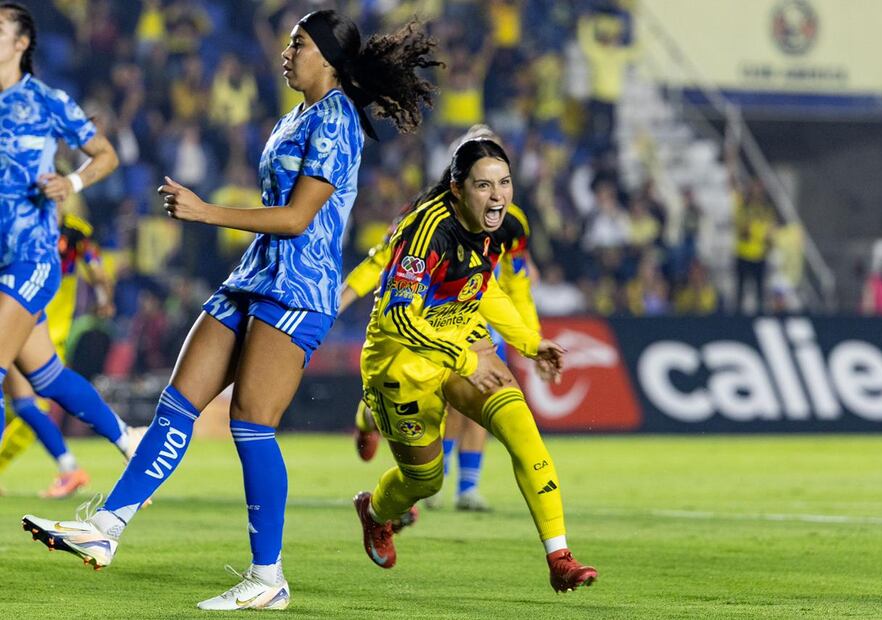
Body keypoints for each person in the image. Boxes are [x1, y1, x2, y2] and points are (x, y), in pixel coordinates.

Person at [23, 9, 440, 612]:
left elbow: (298, 219)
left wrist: (206, 211)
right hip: (252, 277)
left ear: (325, 56)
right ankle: (106, 527)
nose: (286, 51)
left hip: (297, 289)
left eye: (298, 43)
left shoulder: (337, 120)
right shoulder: (295, 115)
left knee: (250, 422)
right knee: (177, 401)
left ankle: (268, 578)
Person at [352, 138, 598, 592]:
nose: (498, 195)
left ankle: (560, 557)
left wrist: (529, 342)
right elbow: (397, 315)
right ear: (457, 188)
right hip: (401, 363)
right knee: (424, 481)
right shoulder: (426, 232)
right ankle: (374, 512)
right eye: (484, 185)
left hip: (462, 336)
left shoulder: (494, 228)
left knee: (523, 431)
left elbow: (483, 289)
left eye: (504, 183)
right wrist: (463, 359)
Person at [342, 124, 542, 512]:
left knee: (484, 401)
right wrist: (345, 296)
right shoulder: (424, 218)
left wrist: (529, 335)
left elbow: (517, 281)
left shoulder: (513, 223)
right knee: (443, 401)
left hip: (481, 313)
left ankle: (467, 487)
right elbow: (382, 259)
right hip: (428, 320)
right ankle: (376, 423)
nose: (493, 189)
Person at [0, 3, 119, 455]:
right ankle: (125, 439)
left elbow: (105, 154)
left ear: (21, 43)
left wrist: (70, 182)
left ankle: (69, 466)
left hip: (29, 256)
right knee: (45, 378)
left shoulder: (46, 101)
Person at [1, 212, 141, 499]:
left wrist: (104, 299)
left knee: (31, 403)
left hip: (38, 312)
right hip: (28, 302)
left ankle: (72, 465)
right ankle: (123, 438)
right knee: (39, 390)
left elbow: (98, 269)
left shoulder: (71, 231)